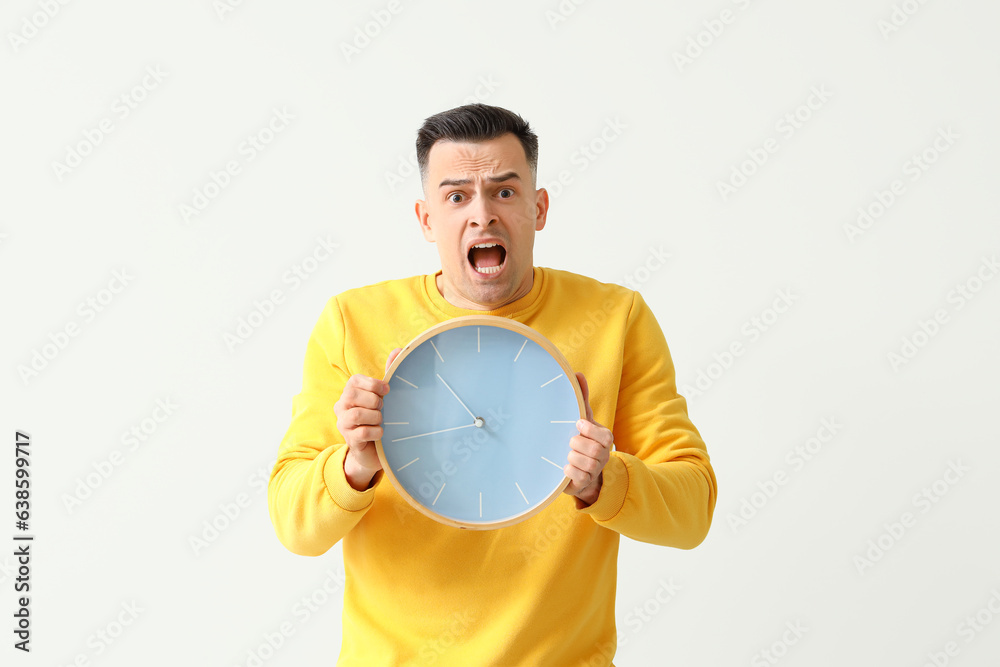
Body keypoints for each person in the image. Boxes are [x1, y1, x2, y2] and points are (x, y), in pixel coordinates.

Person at [268, 103, 717, 666]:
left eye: (505, 191)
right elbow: (293, 524)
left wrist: (604, 480)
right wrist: (354, 465)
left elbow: (692, 511)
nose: (482, 215)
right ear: (427, 218)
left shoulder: (616, 319)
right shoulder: (350, 322)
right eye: (456, 196)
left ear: (538, 206)